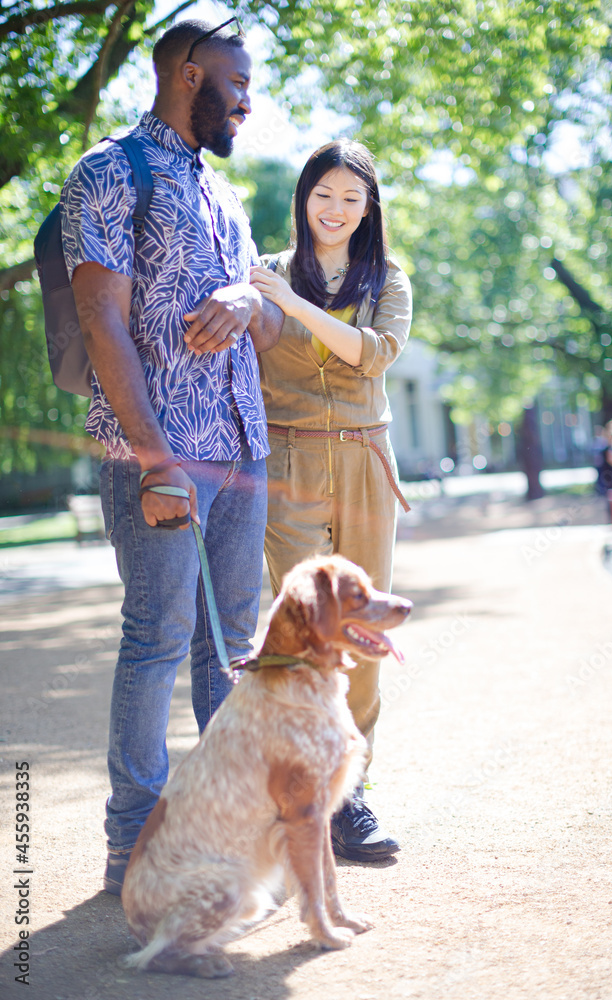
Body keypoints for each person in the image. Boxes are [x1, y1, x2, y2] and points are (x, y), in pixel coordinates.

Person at [60, 18, 283, 894]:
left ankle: (219, 832)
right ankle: (134, 843)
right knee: (155, 642)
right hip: (161, 459)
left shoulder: (222, 196)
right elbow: (100, 321)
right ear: (188, 76)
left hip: (240, 449)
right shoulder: (110, 172)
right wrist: (155, 462)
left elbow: (261, 320)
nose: (247, 101)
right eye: (236, 82)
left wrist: (241, 296)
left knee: (230, 653)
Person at [250, 140, 412, 862]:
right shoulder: (265, 274)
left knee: (362, 631)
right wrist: (274, 297)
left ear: (368, 206)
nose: (336, 209)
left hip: (363, 460)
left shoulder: (389, 279)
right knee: (300, 629)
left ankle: (351, 797)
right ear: (303, 197)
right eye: (324, 194)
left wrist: (291, 307)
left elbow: (372, 354)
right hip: (286, 461)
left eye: (352, 197)